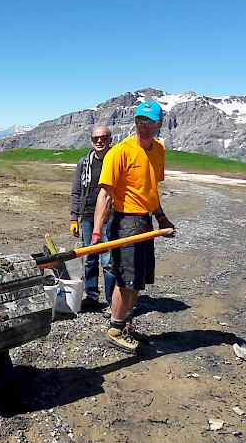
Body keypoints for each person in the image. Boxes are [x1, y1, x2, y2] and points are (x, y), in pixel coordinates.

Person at [90, 101, 175, 354]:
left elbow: (150, 189)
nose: (143, 127)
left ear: (159, 124)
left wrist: (161, 217)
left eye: (148, 122)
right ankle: (114, 329)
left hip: (145, 221)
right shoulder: (120, 152)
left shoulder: (158, 149)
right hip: (125, 221)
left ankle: (125, 323)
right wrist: (96, 231)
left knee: (137, 280)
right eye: (139, 121)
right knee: (126, 279)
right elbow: (105, 195)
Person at [69, 126, 115, 315]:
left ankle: (113, 301)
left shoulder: (116, 160)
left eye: (103, 137)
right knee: (90, 259)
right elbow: (76, 191)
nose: (99, 141)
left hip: (111, 218)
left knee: (108, 261)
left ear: (110, 139)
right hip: (87, 217)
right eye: (95, 138)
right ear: (91, 140)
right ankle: (92, 297)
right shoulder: (84, 163)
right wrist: (74, 218)